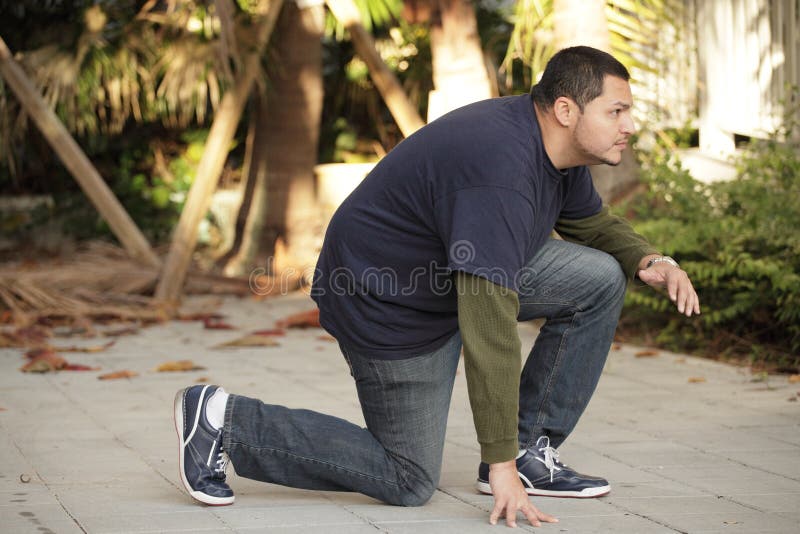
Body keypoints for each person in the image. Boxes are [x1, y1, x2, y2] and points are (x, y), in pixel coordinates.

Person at [173, 45, 700, 528]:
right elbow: (488, 326)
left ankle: (530, 452)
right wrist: (498, 466)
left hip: (446, 272)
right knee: (408, 478)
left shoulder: (556, 150)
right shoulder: (501, 169)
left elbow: (588, 221)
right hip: (385, 299)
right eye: (617, 111)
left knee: (600, 278)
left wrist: (650, 259)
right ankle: (224, 420)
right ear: (566, 111)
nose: (630, 124)